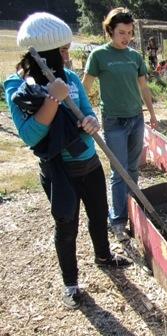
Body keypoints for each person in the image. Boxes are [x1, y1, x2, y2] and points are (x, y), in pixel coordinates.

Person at [4, 12, 131, 310]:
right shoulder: (19, 87)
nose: (67, 55)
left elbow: (88, 110)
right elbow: (32, 136)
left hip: (89, 163)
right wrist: (52, 99)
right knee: (66, 226)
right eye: (61, 51)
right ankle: (71, 284)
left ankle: (104, 256)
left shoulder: (71, 78)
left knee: (99, 216)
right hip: (59, 172)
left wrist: (90, 122)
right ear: (44, 54)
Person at [82, 7, 158, 241]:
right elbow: (85, 87)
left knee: (133, 168)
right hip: (113, 121)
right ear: (110, 32)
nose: (126, 37)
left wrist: (152, 114)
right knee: (119, 170)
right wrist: (85, 114)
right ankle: (118, 220)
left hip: (136, 118)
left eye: (129, 33)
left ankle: (133, 211)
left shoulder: (134, 57)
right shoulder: (99, 56)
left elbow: (144, 87)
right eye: (121, 32)